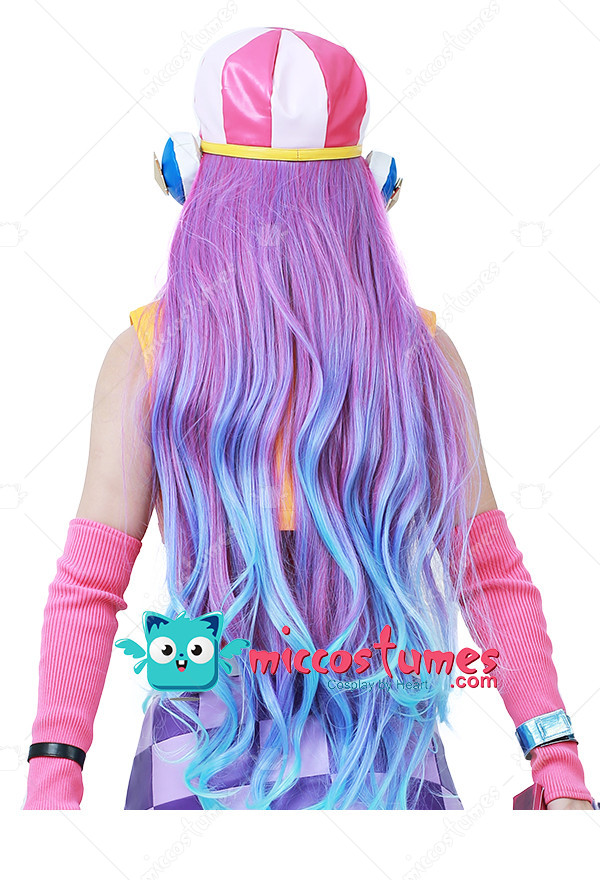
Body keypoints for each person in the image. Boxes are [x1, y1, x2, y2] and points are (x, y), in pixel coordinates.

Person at [23, 26, 595, 810]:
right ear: (372, 188)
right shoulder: (421, 356)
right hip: (384, 760)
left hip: (201, 763)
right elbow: (488, 574)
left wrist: (52, 784)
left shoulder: (150, 357)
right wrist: (556, 763)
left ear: (192, 179)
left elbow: (89, 586)